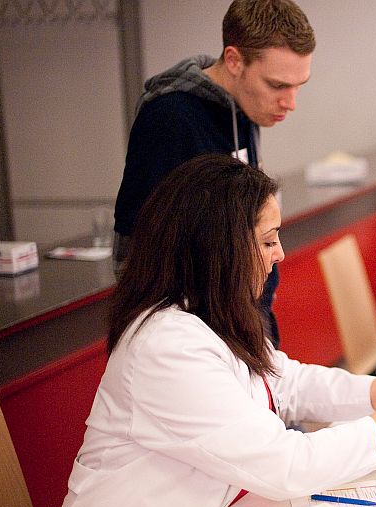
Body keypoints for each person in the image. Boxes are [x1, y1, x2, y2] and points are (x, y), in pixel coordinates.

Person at [39, 154, 376, 507]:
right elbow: (287, 465)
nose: (280, 254)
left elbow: (286, 383)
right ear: (218, 249)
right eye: (267, 241)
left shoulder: (214, 312)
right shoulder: (165, 345)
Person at [113, 0, 315, 347]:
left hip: (246, 326)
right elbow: (136, 254)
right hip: (198, 342)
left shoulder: (245, 111)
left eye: (299, 86)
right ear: (235, 61)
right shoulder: (169, 119)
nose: (291, 102)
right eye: (277, 85)